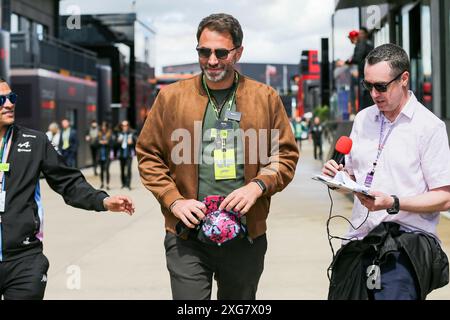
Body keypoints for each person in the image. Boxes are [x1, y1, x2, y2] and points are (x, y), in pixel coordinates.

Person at [136, 13, 298, 300]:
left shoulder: (265, 98)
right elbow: (148, 154)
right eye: (204, 51)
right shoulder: (171, 97)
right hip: (187, 236)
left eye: (221, 52)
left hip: (245, 236)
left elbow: (284, 155)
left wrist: (257, 186)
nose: (211, 60)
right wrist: (173, 200)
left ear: (238, 52)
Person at [322, 44, 449, 300]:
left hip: (405, 246)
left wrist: (393, 202)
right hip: (359, 240)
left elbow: (444, 196)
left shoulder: (429, 127)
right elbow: (358, 176)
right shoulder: (363, 119)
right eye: (368, 86)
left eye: (381, 86)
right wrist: (339, 177)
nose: (374, 94)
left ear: (404, 79)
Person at [0, 78, 135, 300]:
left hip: (24, 260)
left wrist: (102, 201)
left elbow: (69, 182)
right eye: (1, 100)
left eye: (12, 98)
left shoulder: (35, 141)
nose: (9, 104)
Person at [346, 27, 374, 110]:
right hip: (365, 73)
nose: (360, 35)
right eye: (359, 34)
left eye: (361, 33)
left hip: (366, 74)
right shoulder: (364, 44)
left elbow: (357, 58)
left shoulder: (362, 44)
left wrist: (347, 62)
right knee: (364, 94)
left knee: (365, 94)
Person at [116, 120, 137, 190]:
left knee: (128, 169)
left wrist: (132, 142)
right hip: (121, 154)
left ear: (128, 126)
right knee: (122, 170)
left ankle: (128, 184)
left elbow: (137, 142)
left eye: (126, 125)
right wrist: (118, 142)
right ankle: (123, 183)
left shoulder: (132, 133)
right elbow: (114, 144)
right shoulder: (119, 133)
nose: (124, 127)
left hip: (129, 154)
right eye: (123, 125)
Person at [96, 122, 113, 190]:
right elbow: (95, 143)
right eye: (102, 126)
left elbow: (113, 144)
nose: (103, 128)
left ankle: (108, 184)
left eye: (104, 126)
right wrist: (99, 142)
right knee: (102, 170)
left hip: (107, 155)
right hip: (100, 155)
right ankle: (102, 183)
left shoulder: (109, 134)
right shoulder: (99, 134)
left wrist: (107, 142)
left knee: (107, 170)